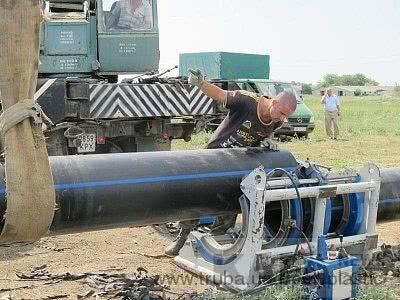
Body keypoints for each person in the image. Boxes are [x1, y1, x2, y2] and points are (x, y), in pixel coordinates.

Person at [164, 69, 297, 256]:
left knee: (229, 205)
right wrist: (201, 83)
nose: (283, 119)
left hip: (238, 165)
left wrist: (268, 140)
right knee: (197, 198)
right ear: (274, 102)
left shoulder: (276, 120)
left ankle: (210, 247)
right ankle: (181, 238)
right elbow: (220, 95)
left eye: (286, 116)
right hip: (215, 157)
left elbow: (267, 132)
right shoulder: (247, 101)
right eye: (282, 113)